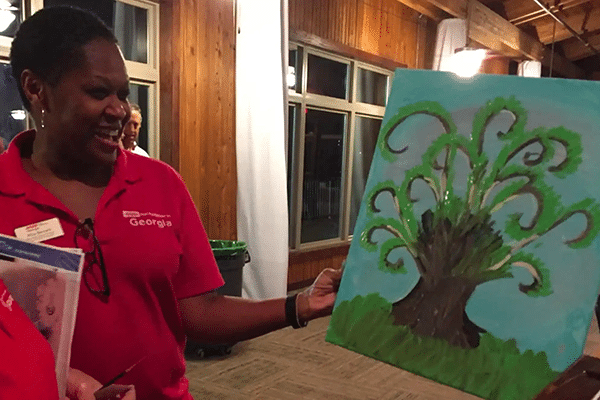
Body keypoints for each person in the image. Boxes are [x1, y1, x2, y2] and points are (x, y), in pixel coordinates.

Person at [1, 6, 342, 400]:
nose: (119, 110)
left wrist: (300, 305)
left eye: (123, 94)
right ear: (35, 89)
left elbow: (200, 312)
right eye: (98, 92)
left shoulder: (160, 184)